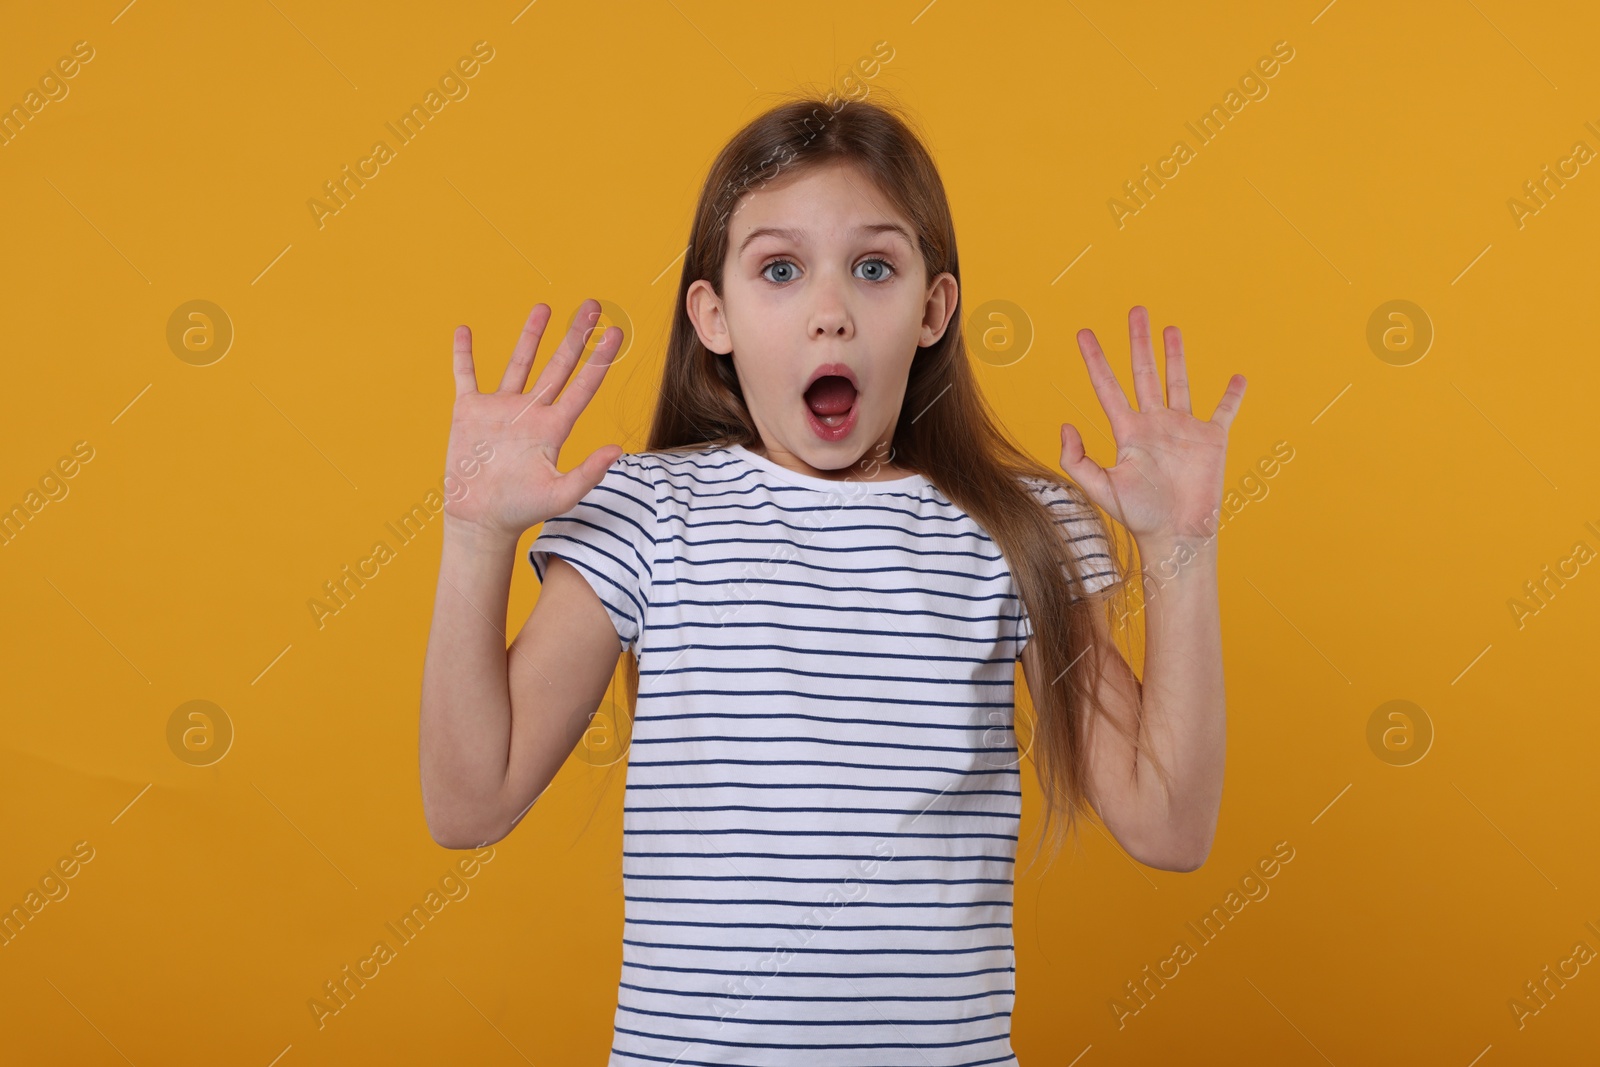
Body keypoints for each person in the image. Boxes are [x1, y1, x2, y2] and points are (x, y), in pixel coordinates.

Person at [419, 93, 1245, 1066]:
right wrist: (474, 536)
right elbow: (467, 804)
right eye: (779, 269)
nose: (830, 313)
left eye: (873, 267)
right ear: (713, 315)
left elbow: (1170, 824)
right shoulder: (647, 511)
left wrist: (1183, 551)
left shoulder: (1021, 528)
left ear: (932, 306)